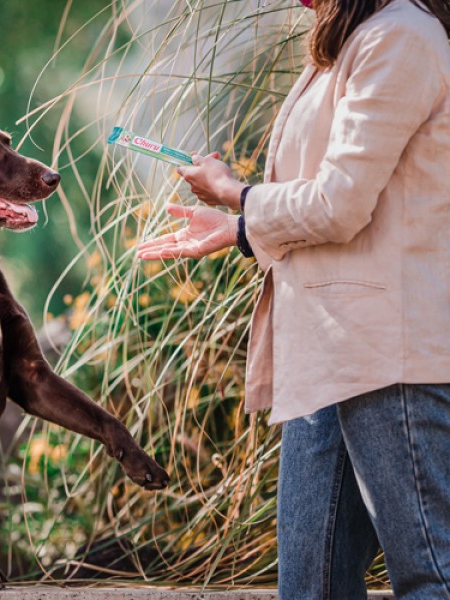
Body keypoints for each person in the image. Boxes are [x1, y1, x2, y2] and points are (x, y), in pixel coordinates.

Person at [137, 0, 450, 598]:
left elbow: (339, 203)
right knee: (310, 587)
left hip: (390, 353)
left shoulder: (401, 37)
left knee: (429, 576)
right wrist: (236, 227)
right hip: (324, 353)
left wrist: (237, 195)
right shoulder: (349, 41)